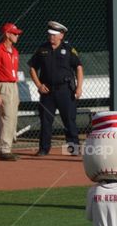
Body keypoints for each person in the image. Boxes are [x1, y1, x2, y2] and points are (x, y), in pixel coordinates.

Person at [28, 20, 84, 156]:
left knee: (69, 120)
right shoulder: (42, 49)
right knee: (46, 122)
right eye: (50, 34)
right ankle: (43, 149)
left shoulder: (69, 49)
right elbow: (32, 68)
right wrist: (39, 85)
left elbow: (78, 67)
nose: (51, 37)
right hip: (47, 91)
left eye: (54, 34)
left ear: (61, 35)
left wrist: (79, 87)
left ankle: (74, 149)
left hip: (65, 90)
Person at [0, 22, 22, 161]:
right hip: (4, 86)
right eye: (14, 34)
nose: (17, 36)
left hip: (14, 86)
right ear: (7, 34)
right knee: (7, 117)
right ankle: (4, 150)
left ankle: (7, 148)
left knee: (12, 117)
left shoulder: (15, 51)